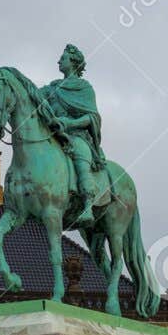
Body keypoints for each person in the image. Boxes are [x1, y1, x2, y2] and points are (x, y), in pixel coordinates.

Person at [37, 43, 107, 227]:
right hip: (52, 136)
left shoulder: (85, 88)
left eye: (63, 58)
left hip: (76, 135)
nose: (59, 60)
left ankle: (87, 205)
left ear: (74, 62)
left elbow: (92, 117)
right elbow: (33, 97)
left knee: (79, 152)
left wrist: (70, 123)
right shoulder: (51, 88)